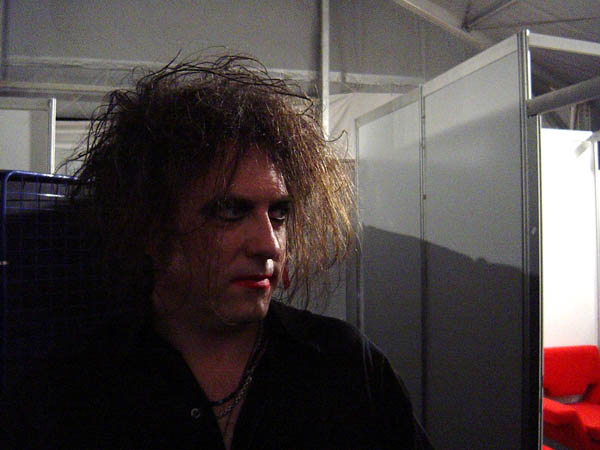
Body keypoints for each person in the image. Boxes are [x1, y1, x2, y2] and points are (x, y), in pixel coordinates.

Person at [1, 54, 432, 449]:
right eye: (229, 211)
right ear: (150, 227)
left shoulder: (347, 367)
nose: (269, 244)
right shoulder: (72, 393)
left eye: (279, 213)